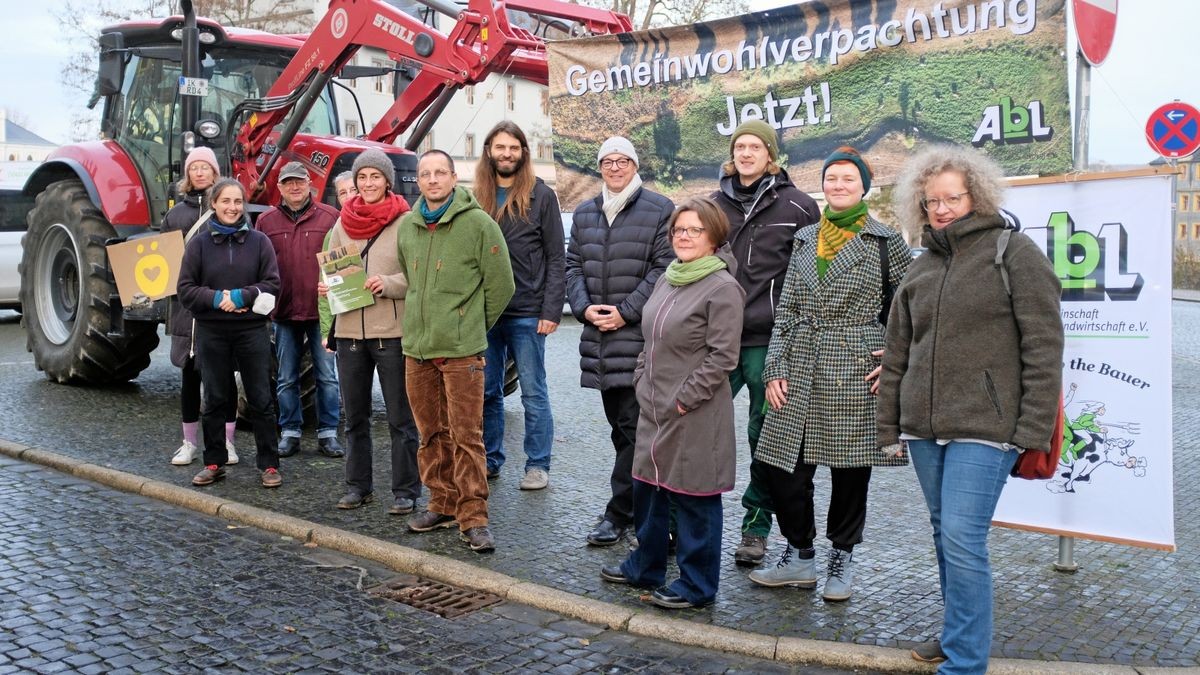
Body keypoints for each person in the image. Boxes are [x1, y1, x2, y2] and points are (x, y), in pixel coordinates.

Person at [878, 145, 1063, 673]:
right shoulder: (922, 267)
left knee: (962, 535)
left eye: (951, 198)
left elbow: (1044, 346)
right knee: (945, 532)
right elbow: (898, 352)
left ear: (975, 196)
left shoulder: (1015, 252)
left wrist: (1031, 429)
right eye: (931, 201)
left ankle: (964, 663)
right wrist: (891, 423)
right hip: (925, 429)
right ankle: (958, 631)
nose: (940, 209)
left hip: (988, 427)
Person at [749, 147, 911, 602]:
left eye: (848, 179)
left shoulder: (884, 242)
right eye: (832, 179)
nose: (838, 186)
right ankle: (800, 554)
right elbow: (787, 312)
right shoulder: (804, 239)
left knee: (850, 471)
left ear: (864, 186)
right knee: (783, 467)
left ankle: (843, 555)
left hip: (854, 365)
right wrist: (774, 368)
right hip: (800, 360)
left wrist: (896, 357)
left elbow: (912, 306)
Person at [599, 197, 744, 609]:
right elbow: (651, 338)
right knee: (649, 489)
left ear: (714, 237)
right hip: (653, 406)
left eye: (695, 230)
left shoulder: (722, 288)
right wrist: (642, 379)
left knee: (695, 498)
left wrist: (683, 400)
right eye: (679, 229)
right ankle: (645, 566)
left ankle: (698, 585)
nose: (684, 236)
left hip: (693, 412)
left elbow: (723, 357)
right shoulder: (667, 278)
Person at [709, 120, 819, 566]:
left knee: (765, 434)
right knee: (695, 425)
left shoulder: (800, 206)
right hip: (716, 336)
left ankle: (755, 528)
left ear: (770, 154)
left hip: (768, 341)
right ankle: (680, 520)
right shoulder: (712, 204)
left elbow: (811, 280)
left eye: (755, 146)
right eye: (740, 146)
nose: (747, 153)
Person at [397, 150, 515, 553]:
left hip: (462, 351)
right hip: (417, 349)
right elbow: (412, 280)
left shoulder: (479, 225)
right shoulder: (408, 227)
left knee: (467, 436)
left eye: (439, 173)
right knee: (430, 433)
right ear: (418, 180)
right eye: (425, 174)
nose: (432, 180)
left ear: (453, 177)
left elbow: (502, 286)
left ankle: (474, 517)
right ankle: (442, 502)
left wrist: (470, 325)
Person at [566, 136, 674, 547]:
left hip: (637, 336)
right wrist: (584, 307)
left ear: (634, 164)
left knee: (633, 428)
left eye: (622, 160)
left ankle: (620, 513)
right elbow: (573, 265)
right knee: (620, 430)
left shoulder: (659, 208)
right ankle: (637, 506)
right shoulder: (585, 213)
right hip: (599, 338)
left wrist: (626, 311)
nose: (614, 168)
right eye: (607, 162)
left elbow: (662, 268)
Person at [318, 149, 421, 514]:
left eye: (375, 177)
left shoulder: (406, 222)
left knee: (400, 419)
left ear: (387, 181)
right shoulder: (341, 224)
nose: (368, 183)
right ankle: (357, 486)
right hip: (349, 333)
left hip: (390, 332)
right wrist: (327, 287)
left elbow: (418, 276)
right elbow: (330, 270)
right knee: (355, 418)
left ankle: (406, 490)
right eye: (362, 178)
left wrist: (389, 283)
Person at [473, 121, 564, 490]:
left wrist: (551, 310)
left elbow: (557, 257)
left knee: (533, 391)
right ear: (489, 151)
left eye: (513, 147)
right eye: (500, 147)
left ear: (523, 152)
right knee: (487, 391)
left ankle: (537, 465)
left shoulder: (541, 196)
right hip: (485, 312)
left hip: (528, 310)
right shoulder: (476, 195)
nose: (506, 153)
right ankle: (491, 459)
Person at [177, 178, 282, 488]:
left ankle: (269, 465)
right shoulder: (198, 244)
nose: (232, 208)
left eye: (238, 202)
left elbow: (273, 285)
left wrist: (239, 297)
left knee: (261, 398)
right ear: (214, 204)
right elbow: (185, 290)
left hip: (252, 331)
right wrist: (215, 299)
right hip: (212, 331)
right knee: (214, 399)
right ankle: (214, 462)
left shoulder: (260, 242)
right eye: (226, 201)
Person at [257, 161, 343, 459]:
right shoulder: (266, 222)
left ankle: (328, 433)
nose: (295, 187)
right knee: (286, 377)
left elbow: (343, 263)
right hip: (283, 311)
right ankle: (290, 431)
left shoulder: (331, 218)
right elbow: (260, 266)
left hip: (321, 312)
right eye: (288, 182)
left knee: (327, 377)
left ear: (310, 184)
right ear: (279, 187)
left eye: (300, 181)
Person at [163, 147, 239, 467]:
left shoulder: (226, 209)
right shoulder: (175, 215)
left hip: (218, 305)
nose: (198, 172)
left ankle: (228, 443)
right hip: (186, 309)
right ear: (187, 175)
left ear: (214, 172)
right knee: (189, 378)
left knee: (222, 379)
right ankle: (189, 442)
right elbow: (162, 260)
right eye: (193, 167)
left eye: (204, 167)